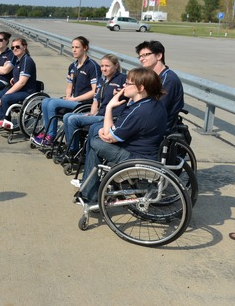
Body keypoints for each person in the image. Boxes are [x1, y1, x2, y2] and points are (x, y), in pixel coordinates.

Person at [78, 67, 167, 203]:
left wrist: (109, 107)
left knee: (95, 142)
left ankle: (90, 194)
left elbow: (109, 136)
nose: (124, 86)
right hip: (149, 152)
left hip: (136, 158)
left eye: (127, 83)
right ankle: (88, 191)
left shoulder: (139, 111)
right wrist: (106, 131)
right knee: (97, 136)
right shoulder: (154, 104)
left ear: (140, 88)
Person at [32, 36, 100, 146]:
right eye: (72, 47)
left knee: (53, 103)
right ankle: (46, 132)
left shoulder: (92, 66)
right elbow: (69, 86)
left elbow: (95, 92)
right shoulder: (73, 66)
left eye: (77, 47)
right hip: (73, 100)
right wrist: (68, 97)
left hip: (84, 103)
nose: (73, 50)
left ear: (85, 48)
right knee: (45, 101)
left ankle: (50, 136)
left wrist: (74, 99)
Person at [61, 54, 126, 160]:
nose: (104, 69)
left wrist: (122, 92)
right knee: (67, 116)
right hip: (99, 115)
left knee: (73, 119)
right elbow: (95, 101)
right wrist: (91, 114)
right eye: (102, 66)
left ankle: (73, 152)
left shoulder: (122, 79)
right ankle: (71, 148)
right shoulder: (102, 81)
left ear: (115, 65)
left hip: (111, 117)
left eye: (107, 66)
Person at [135, 40, 184, 132]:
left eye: (145, 55)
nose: (141, 59)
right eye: (140, 56)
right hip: (147, 123)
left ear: (159, 56)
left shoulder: (168, 79)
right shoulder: (153, 77)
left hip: (158, 129)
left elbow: (155, 108)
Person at [0, 38, 38, 129]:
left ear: (24, 47)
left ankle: (6, 120)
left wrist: (7, 94)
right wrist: (14, 78)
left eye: (17, 46)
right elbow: (15, 72)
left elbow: (22, 82)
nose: (14, 49)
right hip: (19, 88)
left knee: (5, 98)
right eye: (12, 47)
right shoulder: (17, 59)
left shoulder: (27, 61)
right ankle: (2, 119)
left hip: (27, 91)